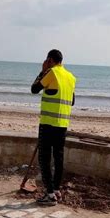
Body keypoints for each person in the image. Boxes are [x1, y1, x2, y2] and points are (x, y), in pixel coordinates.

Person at [31, 49, 76, 205]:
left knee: (44, 158)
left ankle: (49, 194)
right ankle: (56, 190)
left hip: (48, 123)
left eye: (47, 61)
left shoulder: (51, 73)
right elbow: (72, 101)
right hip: (62, 124)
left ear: (50, 60)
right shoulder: (71, 77)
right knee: (58, 158)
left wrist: (42, 71)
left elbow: (34, 89)